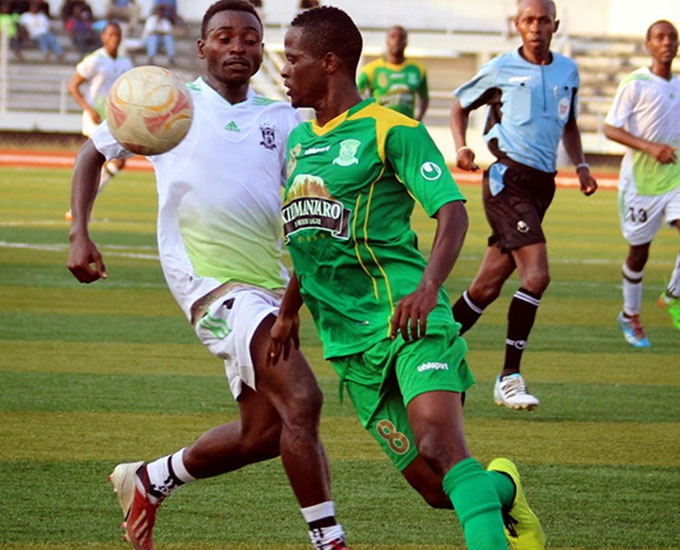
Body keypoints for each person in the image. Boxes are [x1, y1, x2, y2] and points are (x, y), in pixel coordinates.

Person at [66, 1, 348, 549]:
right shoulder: (170, 107)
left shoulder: (285, 120)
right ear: (203, 48)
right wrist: (80, 232)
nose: (238, 47)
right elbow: (90, 154)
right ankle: (328, 541)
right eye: (224, 38)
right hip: (211, 286)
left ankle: (151, 478)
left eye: (249, 39)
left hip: (268, 286)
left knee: (264, 434)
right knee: (304, 400)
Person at [273, 6, 545, 550]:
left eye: (293, 58)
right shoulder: (299, 144)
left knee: (440, 446)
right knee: (437, 487)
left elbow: (453, 212)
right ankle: (505, 489)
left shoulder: (392, 130)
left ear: (329, 63)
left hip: (408, 320)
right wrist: (287, 310)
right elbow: (311, 239)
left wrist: (427, 288)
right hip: (349, 345)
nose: (284, 69)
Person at [449, 0, 598, 410]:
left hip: (542, 186)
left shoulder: (568, 70)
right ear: (517, 25)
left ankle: (427, 347)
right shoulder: (500, 68)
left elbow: (568, 123)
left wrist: (582, 165)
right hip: (506, 180)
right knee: (537, 276)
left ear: (555, 24)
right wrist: (462, 146)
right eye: (529, 20)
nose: (536, 27)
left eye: (543, 20)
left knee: (486, 287)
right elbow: (460, 104)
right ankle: (509, 376)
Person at [603, 20, 680, 344]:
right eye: (659, 37)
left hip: (675, 177)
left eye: (672, 37)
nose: (667, 42)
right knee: (639, 251)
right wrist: (651, 147)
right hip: (640, 184)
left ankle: (674, 294)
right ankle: (629, 314)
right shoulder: (635, 83)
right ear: (648, 45)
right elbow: (610, 129)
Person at [64, 21, 132, 221]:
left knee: (117, 163)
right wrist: (88, 109)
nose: (115, 39)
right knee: (99, 161)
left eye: (118, 35)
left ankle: (79, 207)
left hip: (115, 119)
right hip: (96, 117)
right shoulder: (95, 60)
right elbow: (73, 85)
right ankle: (79, 208)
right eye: (111, 35)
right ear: (103, 37)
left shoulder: (125, 62)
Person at [357, 25, 429, 121]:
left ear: (406, 42)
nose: (397, 41)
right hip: (381, 125)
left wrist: (419, 117)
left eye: (401, 37)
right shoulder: (371, 69)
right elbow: (355, 92)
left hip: (406, 125)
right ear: (387, 41)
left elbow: (424, 97)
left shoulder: (417, 70)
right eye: (393, 37)